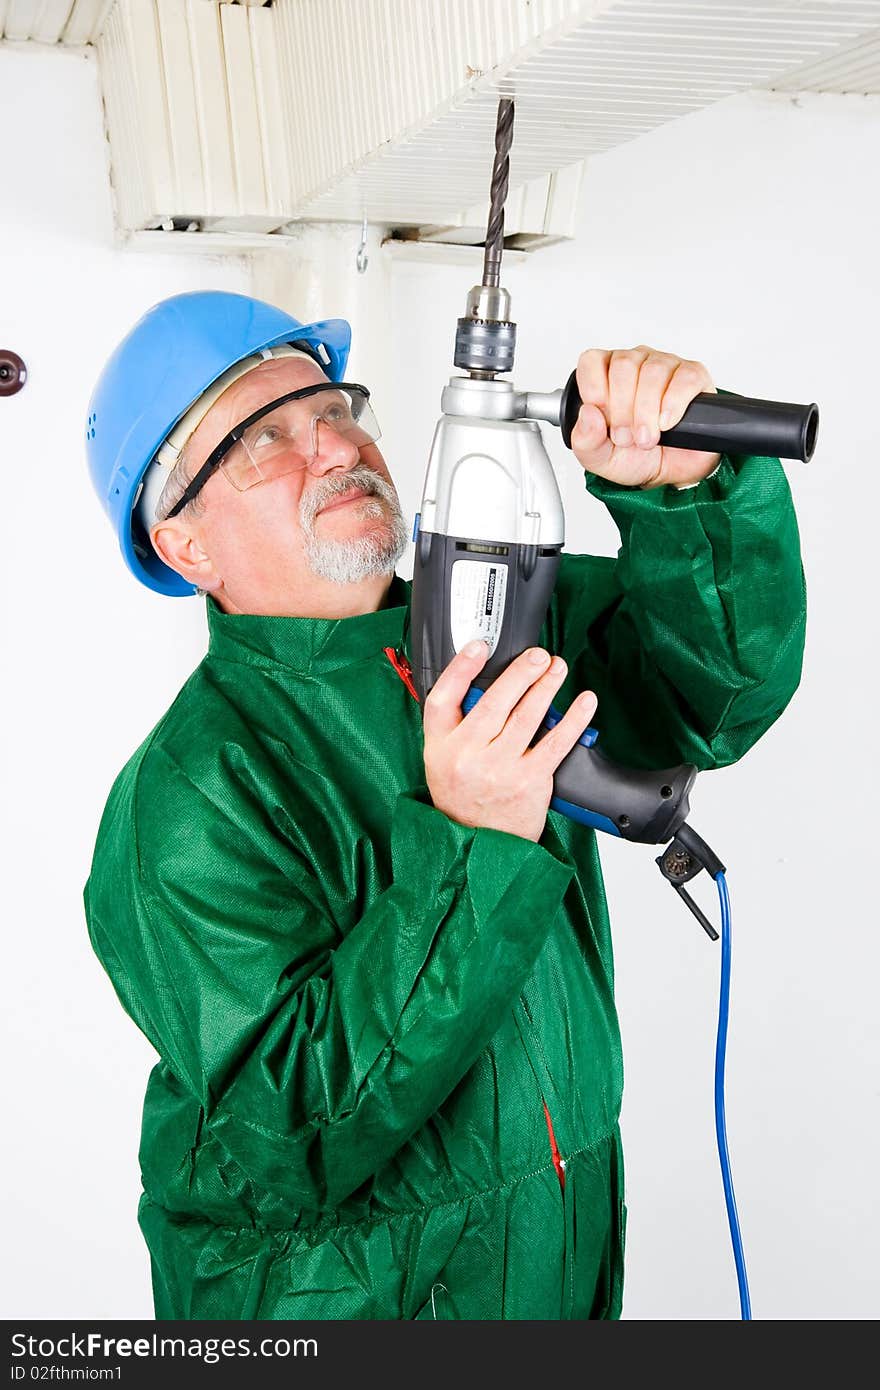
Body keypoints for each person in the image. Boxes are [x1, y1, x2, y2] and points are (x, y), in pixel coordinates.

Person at [83, 290, 805, 1320]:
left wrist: (683, 494)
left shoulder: (495, 626)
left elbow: (717, 694)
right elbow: (303, 1132)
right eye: (261, 438)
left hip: (558, 1253)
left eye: (335, 409)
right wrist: (469, 836)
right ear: (181, 545)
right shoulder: (188, 800)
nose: (332, 447)